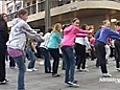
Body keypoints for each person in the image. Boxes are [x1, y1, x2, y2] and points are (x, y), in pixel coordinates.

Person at [7, 9, 43, 90]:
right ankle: (21, 88)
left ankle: (21, 87)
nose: (27, 17)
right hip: (16, 48)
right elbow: (32, 32)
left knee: (21, 67)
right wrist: (41, 39)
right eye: (26, 15)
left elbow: (28, 33)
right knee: (22, 68)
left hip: (10, 47)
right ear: (22, 15)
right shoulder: (22, 23)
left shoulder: (15, 24)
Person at [61, 18, 91, 87]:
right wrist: (89, 31)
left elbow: (78, 35)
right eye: (76, 23)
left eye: (78, 23)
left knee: (68, 63)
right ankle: (71, 80)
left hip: (63, 45)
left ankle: (67, 79)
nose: (77, 24)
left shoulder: (67, 29)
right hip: (69, 46)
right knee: (72, 63)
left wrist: (84, 34)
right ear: (73, 22)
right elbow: (82, 31)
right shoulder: (74, 28)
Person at [0, 13, 9, 84]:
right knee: (1, 62)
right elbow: (5, 35)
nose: (6, 18)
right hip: (1, 45)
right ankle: (2, 78)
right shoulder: (3, 25)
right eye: (4, 16)